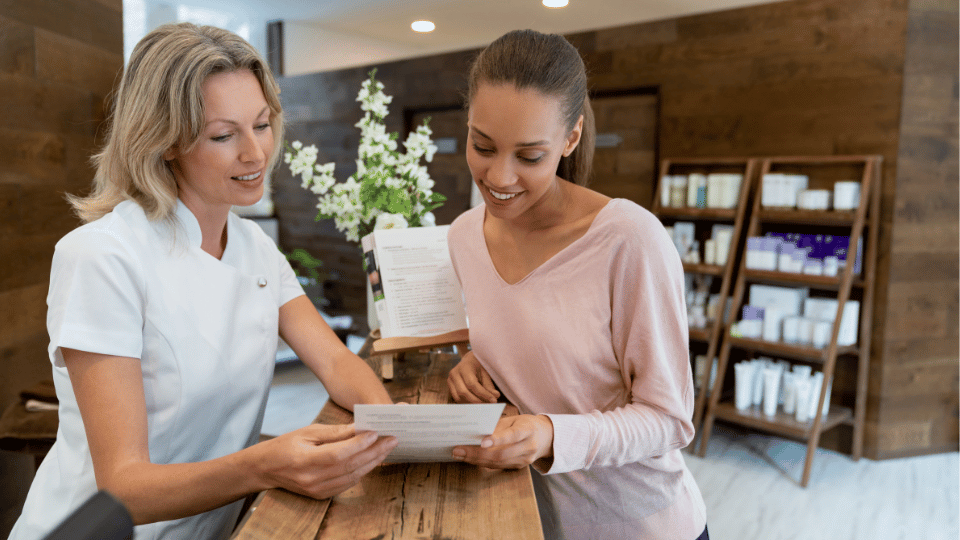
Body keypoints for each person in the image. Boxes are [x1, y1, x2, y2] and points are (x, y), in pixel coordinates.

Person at [11, 23, 398, 540]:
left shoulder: (254, 247)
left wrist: (393, 429)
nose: (256, 153)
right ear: (165, 141)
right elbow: (123, 488)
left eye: (261, 125)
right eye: (223, 135)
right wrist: (263, 465)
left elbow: (334, 361)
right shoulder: (103, 257)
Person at [446, 29, 708, 540]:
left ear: (570, 138)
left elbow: (669, 419)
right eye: (483, 145)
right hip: (533, 522)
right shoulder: (462, 237)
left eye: (529, 156)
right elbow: (535, 341)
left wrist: (549, 433)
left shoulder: (629, 239)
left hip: (639, 525)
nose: (499, 176)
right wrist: (475, 361)